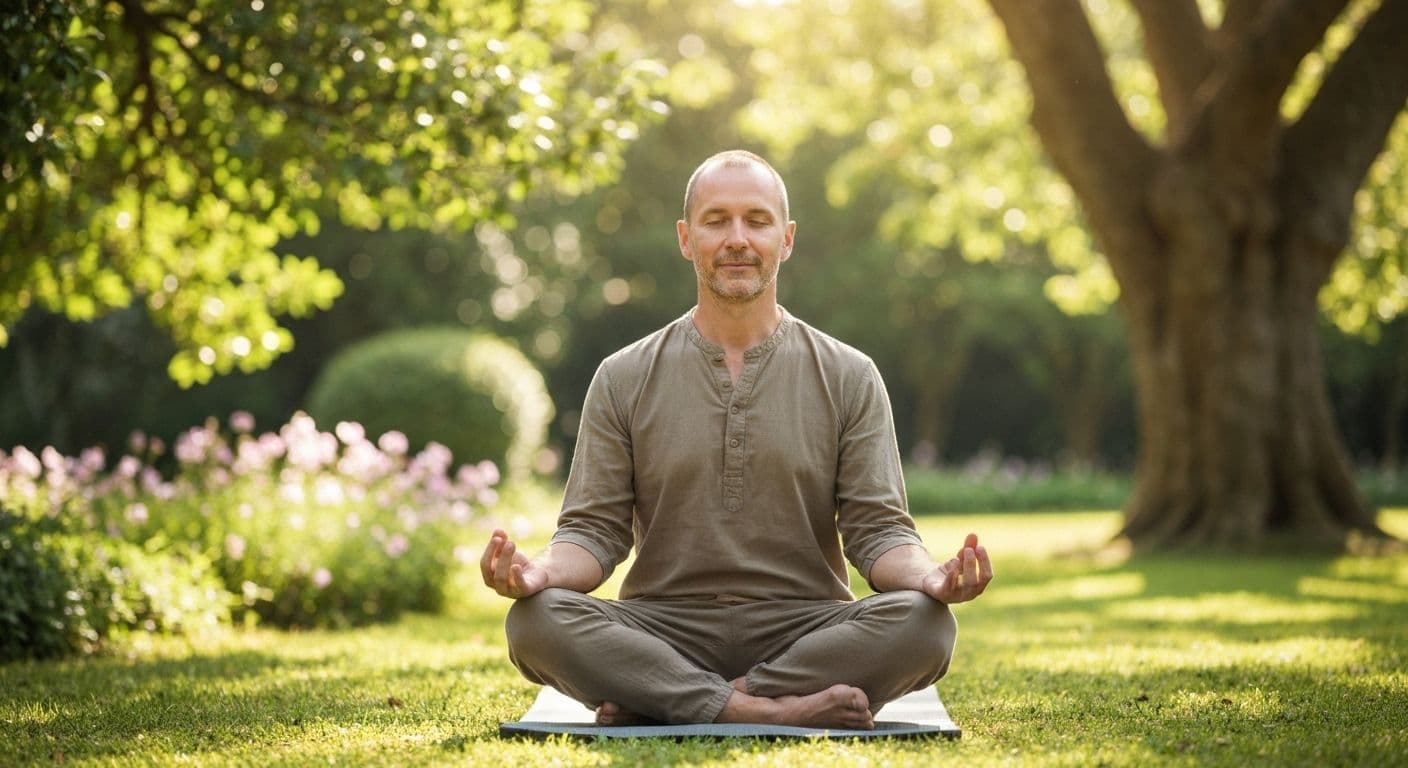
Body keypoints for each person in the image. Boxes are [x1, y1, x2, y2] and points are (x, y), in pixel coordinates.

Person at [481, 149, 993, 729]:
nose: (737, 239)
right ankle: (771, 709)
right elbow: (592, 533)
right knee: (534, 621)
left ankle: (669, 700)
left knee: (926, 623)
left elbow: (878, 532)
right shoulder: (622, 375)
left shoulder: (850, 374)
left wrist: (929, 577)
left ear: (787, 237)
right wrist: (538, 574)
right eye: (716, 220)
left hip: (806, 631)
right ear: (685, 237)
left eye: (757, 220)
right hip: (663, 628)